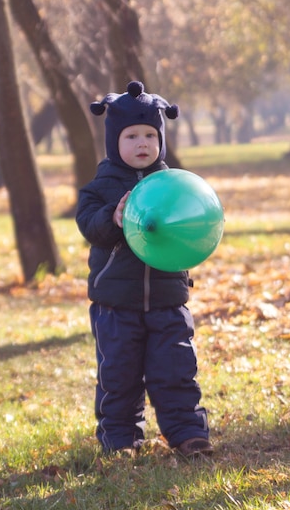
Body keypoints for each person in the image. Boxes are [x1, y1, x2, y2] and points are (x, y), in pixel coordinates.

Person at [75, 80, 212, 457]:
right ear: (114, 141)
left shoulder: (173, 185)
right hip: (116, 303)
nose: (142, 144)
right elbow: (88, 224)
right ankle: (121, 439)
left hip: (169, 298)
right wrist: (112, 216)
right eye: (131, 135)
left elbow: (194, 222)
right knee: (119, 376)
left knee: (177, 369)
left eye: (150, 135)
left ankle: (187, 433)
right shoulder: (101, 187)